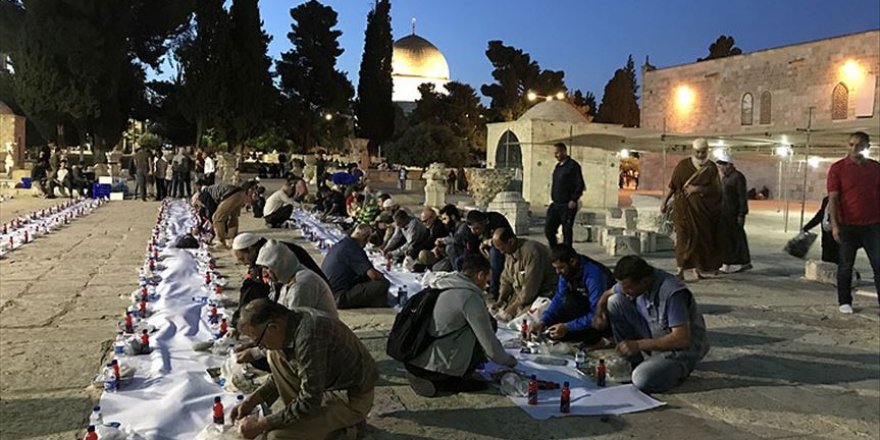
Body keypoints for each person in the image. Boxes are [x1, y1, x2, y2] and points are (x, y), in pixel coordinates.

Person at [231, 299, 376, 439]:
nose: (260, 346)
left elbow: (309, 401)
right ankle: (308, 423)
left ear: (272, 328)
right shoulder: (288, 323)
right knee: (274, 354)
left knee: (275, 436)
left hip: (350, 396)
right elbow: (280, 377)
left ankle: (346, 429)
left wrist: (262, 424)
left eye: (258, 341)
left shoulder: (309, 337)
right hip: (324, 387)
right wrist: (251, 401)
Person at [404, 255, 518, 397]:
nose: (486, 285)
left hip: (416, 361)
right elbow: (491, 347)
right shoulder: (469, 296)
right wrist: (509, 362)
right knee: (483, 328)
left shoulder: (443, 283)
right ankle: (449, 378)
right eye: (487, 280)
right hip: (432, 370)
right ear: (480, 275)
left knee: (481, 323)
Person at [592, 256, 709, 393]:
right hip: (653, 333)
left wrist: (639, 345)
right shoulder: (634, 282)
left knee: (641, 379)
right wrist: (600, 312)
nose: (626, 292)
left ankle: (677, 370)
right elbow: (608, 294)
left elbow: (681, 339)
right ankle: (631, 361)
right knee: (615, 301)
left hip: (680, 348)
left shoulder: (672, 293)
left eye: (629, 289)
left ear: (644, 282)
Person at [827, 131, 880, 314]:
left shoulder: (875, 168)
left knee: (878, 264)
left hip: (873, 225)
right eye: (850, 144)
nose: (854, 148)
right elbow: (833, 199)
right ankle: (844, 301)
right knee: (845, 266)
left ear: (867, 147)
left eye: (858, 145)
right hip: (848, 226)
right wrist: (835, 225)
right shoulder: (838, 168)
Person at [660, 138, 722, 281]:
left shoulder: (711, 168)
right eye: (698, 152)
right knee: (683, 238)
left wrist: (698, 189)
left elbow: (717, 190)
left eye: (703, 152)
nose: (700, 155)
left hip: (702, 211)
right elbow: (674, 185)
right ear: (693, 151)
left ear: (707, 151)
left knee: (699, 239)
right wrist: (665, 202)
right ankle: (681, 268)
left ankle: (697, 269)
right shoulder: (683, 165)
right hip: (683, 209)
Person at [532, 244, 614, 346]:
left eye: (561, 267)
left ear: (573, 261)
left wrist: (568, 327)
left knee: (570, 300)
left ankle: (595, 339)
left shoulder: (593, 275)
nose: (558, 272)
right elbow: (559, 298)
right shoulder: (566, 273)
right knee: (550, 329)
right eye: (556, 268)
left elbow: (596, 312)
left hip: (600, 319)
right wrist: (543, 321)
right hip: (581, 313)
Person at [255, 240, 338, 318]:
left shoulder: (302, 282)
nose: (265, 274)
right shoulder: (288, 281)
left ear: (281, 264)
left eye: (267, 268)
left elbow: (292, 321)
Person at [491, 228, 557, 320]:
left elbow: (530, 288)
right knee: (500, 315)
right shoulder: (510, 252)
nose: (502, 252)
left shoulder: (531, 252)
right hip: (522, 294)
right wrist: (501, 299)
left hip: (542, 293)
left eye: (502, 248)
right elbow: (506, 279)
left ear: (511, 241)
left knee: (523, 321)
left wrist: (513, 308)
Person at [322, 224, 391, 309]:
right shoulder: (354, 249)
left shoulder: (343, 243)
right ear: (365, 238)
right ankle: (376, 303)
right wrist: (382, 276)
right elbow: (373, 275)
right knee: (382, 284)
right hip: (338, 297)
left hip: (327, 294)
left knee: (364, 279)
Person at [464, 210, 511, 299]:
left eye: (477, 228)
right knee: (462, 261)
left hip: (500, 250)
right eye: (471, 229)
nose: (473, 231)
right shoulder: (470, 231)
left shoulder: (497, 220)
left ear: (485, 223)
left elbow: (506, 238)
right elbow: (470, 250)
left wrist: (490, 242)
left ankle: (493, 291)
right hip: (482, 252)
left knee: (494, 254)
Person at [545, 142, 585, 247]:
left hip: (567, 204)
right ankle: (554, 250)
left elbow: (579, 184)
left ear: (564, 151)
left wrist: (574, 199)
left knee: (566, 230)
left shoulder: (573, 166)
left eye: (557, 152)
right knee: (549, 229)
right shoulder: (558, 167)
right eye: (554, 153)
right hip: (556, 204)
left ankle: (567, 253)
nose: (556, 155)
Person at [717, 157, 752, 273]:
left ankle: (730, 263)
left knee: (734, 239)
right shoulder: (725, 178)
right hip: (725, 214)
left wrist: (741, 214)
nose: (721, 169)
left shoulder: (737, 177)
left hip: (734, 214)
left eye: (722, 166)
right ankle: (741, 262)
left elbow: (742, 197)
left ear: (729, 165)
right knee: (730, 239)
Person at [205, 181, 256, 249]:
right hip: (239, 193)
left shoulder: (202, 195)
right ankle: (232, 237)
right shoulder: (210, 190)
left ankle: (222, 242)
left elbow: (211, 211)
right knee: (233, 216)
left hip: (233, 195)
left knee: (217, 218)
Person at [803, 196, 839, 264]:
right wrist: (808, 226)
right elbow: (820, 215)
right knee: (826, 261)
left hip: (838, 238)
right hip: (826, 239)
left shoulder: (844, 200)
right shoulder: (826, 200)